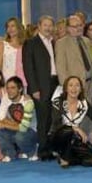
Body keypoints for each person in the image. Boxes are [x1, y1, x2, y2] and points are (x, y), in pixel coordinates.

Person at [22, 15, 58, 160]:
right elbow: (28, 68)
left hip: (55, 83)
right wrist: (34, 88)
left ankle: (49, 147)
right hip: (40, 86)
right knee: (43, 119)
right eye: (45, 25)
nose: (48, 28)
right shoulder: (31, 43)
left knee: (51, 118)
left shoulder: (54, 42)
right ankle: (43, 151)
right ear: (39, 26)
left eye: (50, 25)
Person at [48, 76, 92, 168]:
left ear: (81, 89)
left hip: (74, 139)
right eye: (70, 85)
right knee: (67, 131)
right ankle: (63, 154)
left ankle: (67, 158)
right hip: (58, 137)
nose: (74, 88)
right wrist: (76, 129)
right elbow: (56, 125)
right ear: (66, 88)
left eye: (77, 85)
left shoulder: (84, 104)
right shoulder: (57, 102)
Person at [0, 76, 37, 162]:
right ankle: (9, 154)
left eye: (13, 88)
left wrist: (6, 123)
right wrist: (7, 123)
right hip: (16, 129)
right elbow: (0, 118)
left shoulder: (28, 102)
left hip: (30, 132)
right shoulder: (6, 97)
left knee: (19, 136)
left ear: (20, 89)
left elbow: (23, 127)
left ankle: (31, 152)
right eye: (8, 88)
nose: (9, 91)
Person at [56, 15, 92, 103]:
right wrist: (67, 88)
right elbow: (61, 69)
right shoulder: (61, 43)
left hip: (89, 85)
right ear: (68, 28)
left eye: (80, 25)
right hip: (74, 88)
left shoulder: (86, 41)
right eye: (74, 26)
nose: (78, 28)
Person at [0, 17, 26, 86]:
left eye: (12, 26)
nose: (10, 29)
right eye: (8, 26)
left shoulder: (25, 45)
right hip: (7, 81)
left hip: (22, 81)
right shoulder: (2, 45)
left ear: (18, 28)